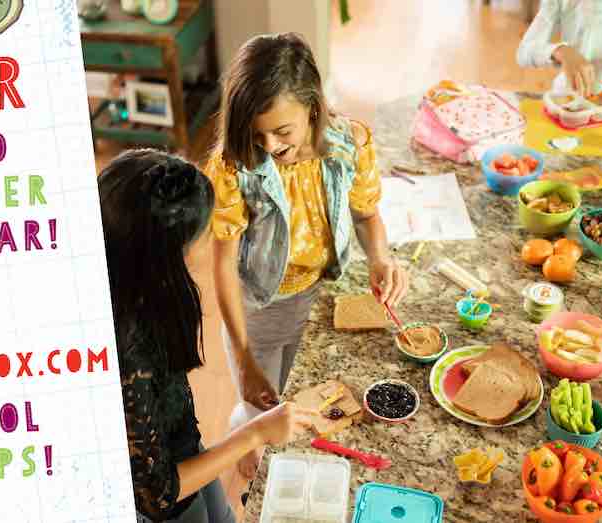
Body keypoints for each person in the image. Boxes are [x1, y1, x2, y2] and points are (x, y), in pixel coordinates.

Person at [205, 32, 408, 478]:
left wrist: (380, 259)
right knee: (260, 409)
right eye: (257, 135)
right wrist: (243, 359)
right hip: (257, 310)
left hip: (320, 302)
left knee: (306, 406)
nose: (271, 148)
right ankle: (245, 447)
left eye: (282, 132)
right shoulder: (232, 166)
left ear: (313, 107)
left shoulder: (351, 143)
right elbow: (222, 264)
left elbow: (367, 215)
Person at [99, 149, 314, 523]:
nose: (215, 239)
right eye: (206, 232)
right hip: (166, 500)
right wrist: (255, 434)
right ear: (167, 258)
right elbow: (158, 495)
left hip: (182, 449)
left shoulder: (136, 286)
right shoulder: (127, 351)